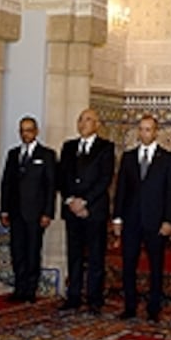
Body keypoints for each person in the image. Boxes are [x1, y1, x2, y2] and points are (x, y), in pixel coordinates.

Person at [112, 115, 171, 323]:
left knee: (156, 266)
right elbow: (120, 189)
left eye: (148, 129)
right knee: (129, 264)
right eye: (141, 129)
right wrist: (117, 218)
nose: (144, 133)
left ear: (156, 131)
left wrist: (168, 220)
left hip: (155, 221)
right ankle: (130, 306)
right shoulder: (129, 157)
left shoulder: (167, 158)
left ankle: (153, 308)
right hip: (131, 221)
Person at [57, 108, 115, 314]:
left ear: (97, 124)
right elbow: (61, 177)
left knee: (96, 256)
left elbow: (104, 179)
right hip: (72, 211)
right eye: (80, 119)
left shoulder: (106, 148)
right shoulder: (68, 147)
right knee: (74, 255)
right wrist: (72, 200)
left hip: (94, 211)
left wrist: (85, 202)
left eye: (88, 120)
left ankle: (94, 299)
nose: (83, 123)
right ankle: (73, 297)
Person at [0, 116, 57, 303]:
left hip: (36, 213)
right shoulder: (13, 154)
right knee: (17, 251)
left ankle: (30, 290)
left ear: (36, 131)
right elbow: (6, 183)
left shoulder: (47, 155)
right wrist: (4, 210)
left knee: (33, 251)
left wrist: (48, 212)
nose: (26, 134)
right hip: (16, 213)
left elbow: (51, 186)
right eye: (23, 130)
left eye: (29, 130)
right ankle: (19, 288)